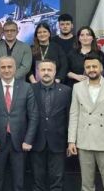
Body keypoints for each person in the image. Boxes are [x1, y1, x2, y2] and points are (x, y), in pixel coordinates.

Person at [68, 53, 104, 191]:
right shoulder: (77, 87)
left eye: (94, 66)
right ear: (84, 69)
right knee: (86, 185)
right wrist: (71, 141)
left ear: (101, 68)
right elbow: (74, 114)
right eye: (88, 67)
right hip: (84, 142)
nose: (91, 69)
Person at [0, 56, 38, 191]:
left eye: (9, 67)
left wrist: (28, 140)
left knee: (19, 181)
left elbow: (33, 116)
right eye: (3, 67)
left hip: (20, 142)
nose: (6, 70)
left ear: (15, 69)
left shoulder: (27, 87)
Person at [30, 60, 72, 191]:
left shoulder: (66, 90)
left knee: (57, 180)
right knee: (37, 180)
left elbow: (70, 117)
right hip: (36, 141)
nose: (46, 73)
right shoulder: (30, 89)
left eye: (49, 70)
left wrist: (70, 141)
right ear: (38, 72)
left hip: (58, 141)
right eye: (43, 70)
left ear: (55, 72)